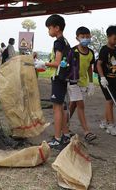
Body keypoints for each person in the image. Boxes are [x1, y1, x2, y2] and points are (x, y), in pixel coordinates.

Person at [34, 14, 73, 150]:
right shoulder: (66, 41)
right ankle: (66, 134)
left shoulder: (58, 42)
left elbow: (57, 63)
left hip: (58, 78)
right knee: (61, 108)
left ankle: (57, 138)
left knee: (57, 108)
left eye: (49, 28)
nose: (48, 31)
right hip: (64, 77)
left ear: (57, 28)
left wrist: (43, 63)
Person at [67, 26, 97, 143]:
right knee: (81, 105)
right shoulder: (73, 51)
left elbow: (90, 67)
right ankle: (87, 132)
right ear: (77, 38)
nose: (85, 38)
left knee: (73, 105)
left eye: (87, 36)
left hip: (83, 83)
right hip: (73, 82)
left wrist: (91, 83)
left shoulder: (90, 53)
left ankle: (64, 125)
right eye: (83, 37)